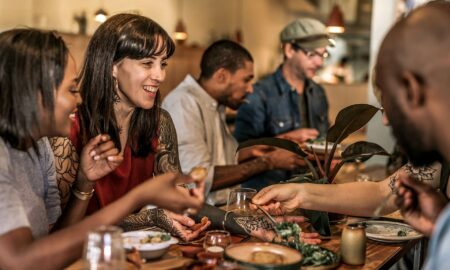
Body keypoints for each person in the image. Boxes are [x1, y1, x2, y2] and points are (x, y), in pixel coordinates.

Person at [254, 1, 450, 268]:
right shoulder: (439, 158)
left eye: (389, 104)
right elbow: (382, 192)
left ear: (413, 89)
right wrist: (300, 193)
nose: (385, 119)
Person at [0, 28, 204, 270]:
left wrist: (84, 183)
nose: (78, 100)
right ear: (34, 92)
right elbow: (20, 262)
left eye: (163, 64)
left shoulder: (38, 147)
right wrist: (139, 197)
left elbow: (56, 241)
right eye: (72, 90)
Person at [51, 13, 210, 241]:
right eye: (147, 63)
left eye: (162, 64)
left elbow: (178, 201)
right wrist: (149, 218)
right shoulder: (68, 130)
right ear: (112, 66)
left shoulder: (160, 122)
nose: (160, 75)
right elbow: (59, 234)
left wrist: (187, 212)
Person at [162, 40, 306, 205]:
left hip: (219, 210)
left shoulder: (214, 104)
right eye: (246, 80)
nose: (250, 89)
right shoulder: (183, 103)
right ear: (221, 76)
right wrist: (269, 161)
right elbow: (195, 178)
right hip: (193, 217)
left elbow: (217, 160)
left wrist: (254, 151)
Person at [234, 18, 333, 190]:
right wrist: (286, 139)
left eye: (323, 54)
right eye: (312, 54)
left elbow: (325, 141)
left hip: (312, 193)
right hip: (267, 196)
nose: (320, 62)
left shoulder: (318, 93)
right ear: (289, 50)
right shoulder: (258, 94)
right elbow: (237, 154)